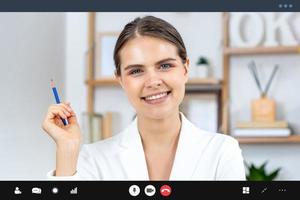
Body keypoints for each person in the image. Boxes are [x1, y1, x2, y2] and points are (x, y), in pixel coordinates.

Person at [42, 16, 246, 180]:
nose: (153, 81)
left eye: (165, 65)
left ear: (185, 69)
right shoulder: (94, 159)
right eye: (137, 71)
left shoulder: (222, 152)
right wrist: (67, 150)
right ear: (120, 79)